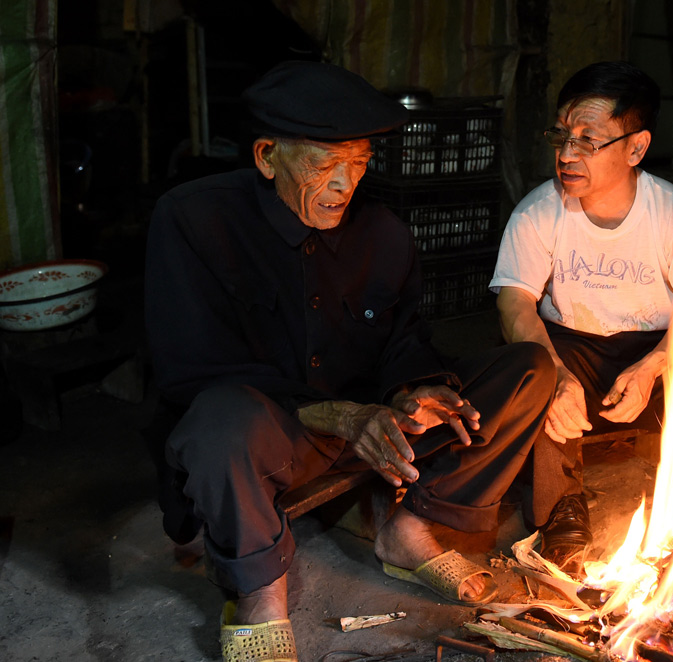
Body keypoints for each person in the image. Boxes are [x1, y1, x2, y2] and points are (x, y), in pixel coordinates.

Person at [144, 60, 555, 662]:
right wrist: (342, 416)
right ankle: (260, 589)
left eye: (358, 163)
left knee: (526, 371)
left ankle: (407, 526)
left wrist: (414, 392)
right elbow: (192, 369)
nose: (345, 185)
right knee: (217, 422)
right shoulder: (193, 221)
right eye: (324, 164)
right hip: (274, 436)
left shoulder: (382, 231)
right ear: (267, 156)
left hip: (373, 430)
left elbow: (404, 340)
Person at [489, 61, 673, 574]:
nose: (566, 155)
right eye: (562, 137)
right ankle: (561, 515)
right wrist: (556, 375)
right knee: (531, 374)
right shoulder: (537, 213)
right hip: (569, 344)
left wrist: (653, 367)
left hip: (650, 351)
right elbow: (514, 305)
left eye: (586, 141)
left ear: (636, 148)